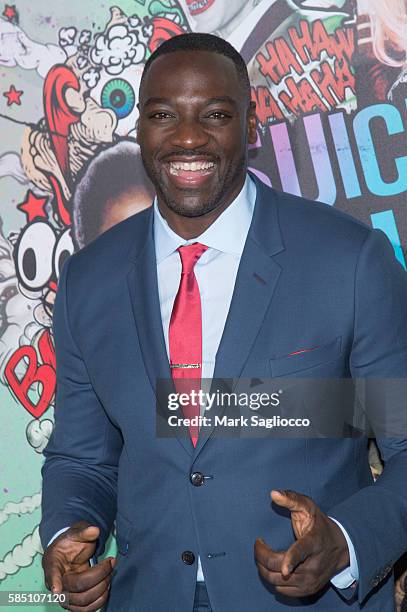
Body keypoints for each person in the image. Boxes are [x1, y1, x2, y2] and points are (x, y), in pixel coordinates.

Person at [40, 33, 407, 611]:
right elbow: (82, 458)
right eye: (163, 115)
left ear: (251, 124)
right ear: (140, 128)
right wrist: (67, 536)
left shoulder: (350, 260)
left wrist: (344, 543)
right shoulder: (89, 280)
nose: (188, 137)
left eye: (214, 114)